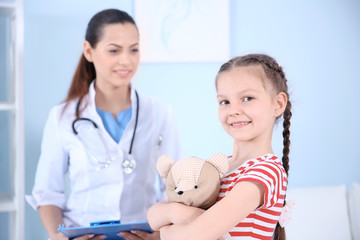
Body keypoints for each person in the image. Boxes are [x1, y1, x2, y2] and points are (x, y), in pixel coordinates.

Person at [26, 9, 180, 240]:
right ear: (89, 51)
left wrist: (160, 235)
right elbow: (48, 194)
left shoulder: (160, 113)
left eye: (134, 50)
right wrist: (57, 237)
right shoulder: (62, 116)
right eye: (114, 50)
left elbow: (175, 188)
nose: (126, 60)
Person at [147, 53, 292, 240]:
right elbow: (153, 216)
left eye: (247, 98)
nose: (233, 110)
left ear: (278, 104)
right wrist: (175, 211)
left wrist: (167, 230)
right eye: (225, 102)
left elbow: (192, 236)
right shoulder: (220, 167)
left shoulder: (265, 172)